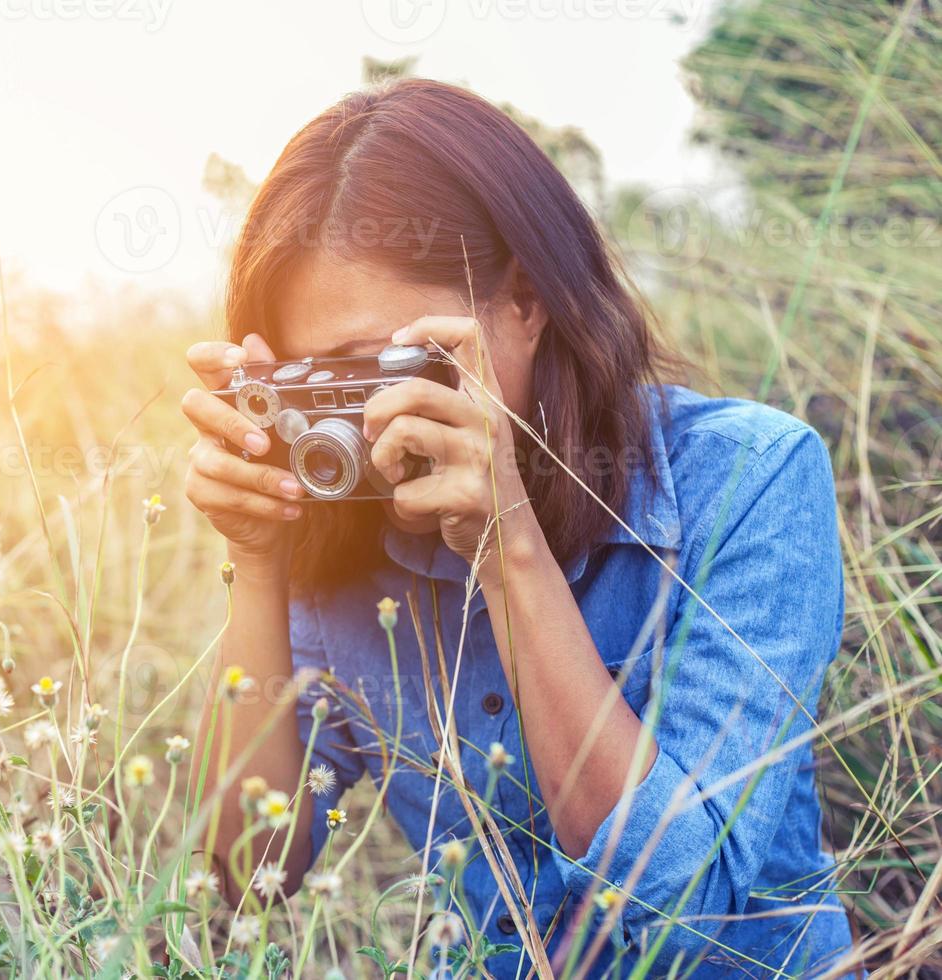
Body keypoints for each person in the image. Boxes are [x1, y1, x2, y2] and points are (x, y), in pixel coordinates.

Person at [181, 78, 853, 977]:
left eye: (382, 368)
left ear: (525, 305)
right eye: (319, 388)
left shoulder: (749, 477)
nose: (362, 422)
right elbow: (253, 872)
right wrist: (257, 564)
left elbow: (680, 906)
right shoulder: (340, 533)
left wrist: (507, 549)